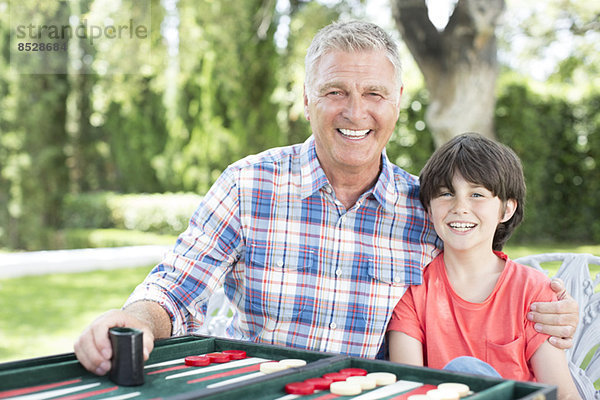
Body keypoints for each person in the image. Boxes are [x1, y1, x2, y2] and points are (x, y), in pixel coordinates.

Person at [74, 20, 579, 377]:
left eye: (375, 94)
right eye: (335, 91)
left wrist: (555, 310)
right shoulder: (249, 185)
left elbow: (485, 283)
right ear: (307, 98)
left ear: (399, 100)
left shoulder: (426, 210)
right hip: (255, 391)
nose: (356, 113)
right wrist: (135, 322)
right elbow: (177, 288)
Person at [387, 133, 580, 399]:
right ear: (429, 210)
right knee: (462, 370)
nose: (460, 207)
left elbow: (562, 394)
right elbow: (407, 389)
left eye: (477, 194)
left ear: (506, 209)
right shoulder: (413, 289)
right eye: (446, 194)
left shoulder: (533, 291)